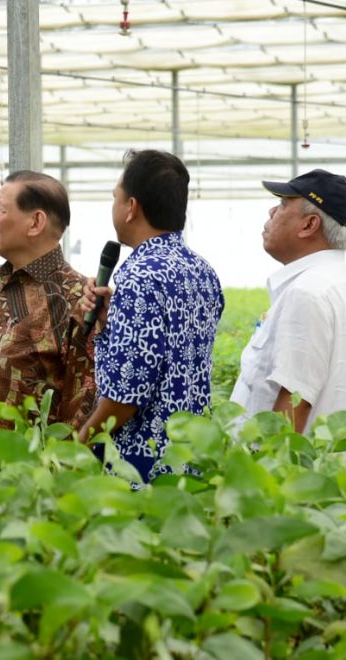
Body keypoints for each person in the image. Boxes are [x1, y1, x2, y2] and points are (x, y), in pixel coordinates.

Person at [78, 150, 224, 483]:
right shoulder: (202, 271)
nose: (113, 206)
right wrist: (108, 324)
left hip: (143, 464)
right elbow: (171, 353)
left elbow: (125, 398)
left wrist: (79, 444)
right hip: (190, 454)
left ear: (131, 208)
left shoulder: (140, 276)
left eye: (115, 197)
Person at [0, 171, 96, 428]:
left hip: (34, 463)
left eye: (0, 209)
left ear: (35, 223)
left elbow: (82, 406)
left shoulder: (79, 297)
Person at [230, 169, 346, 432]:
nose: (272, 212)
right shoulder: (338, 283)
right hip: (326, 467)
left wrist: (271, 469)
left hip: (287, 470)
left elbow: (294, 403)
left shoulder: (308, 292)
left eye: (283, 205)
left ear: (309, 225)